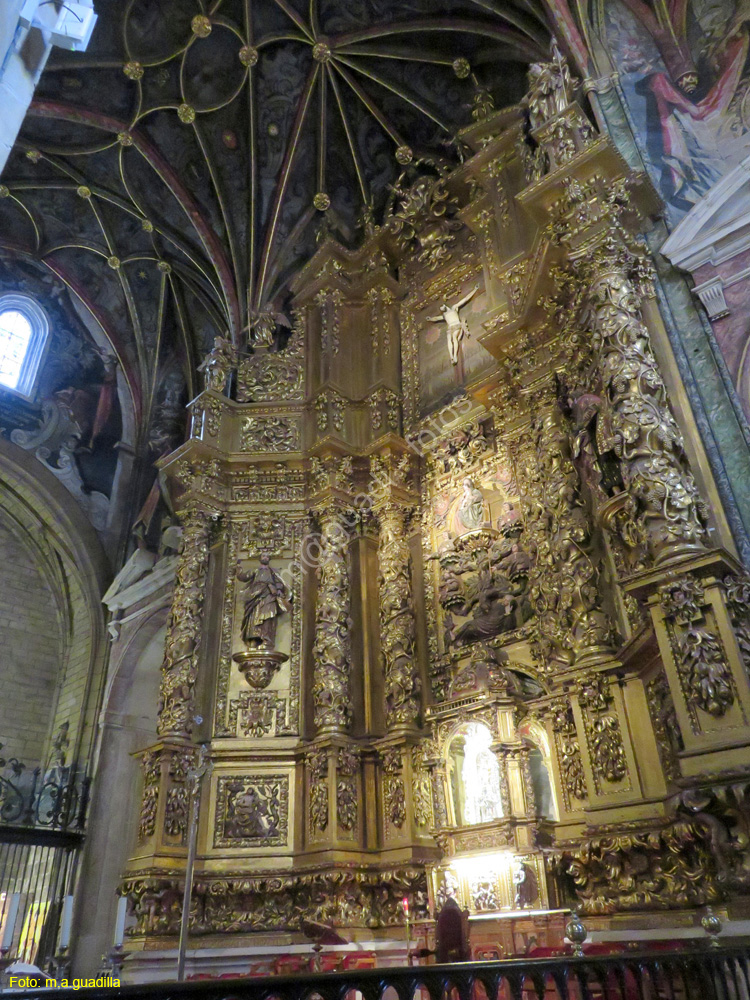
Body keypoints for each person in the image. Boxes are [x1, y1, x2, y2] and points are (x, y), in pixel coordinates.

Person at [237, 555, 291, 649]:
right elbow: (244, 577)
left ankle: (267, 640)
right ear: (259, 558)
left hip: (269, 596)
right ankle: (254, 639)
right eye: (263, 556)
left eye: (267, 556)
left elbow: (279, 582)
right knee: (254, 617)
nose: (265, 558)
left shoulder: (273, 572)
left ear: (269, 559)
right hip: (255, 595)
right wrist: (238, 570)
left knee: (267, 616)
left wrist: (278, 589)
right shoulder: (255, 571)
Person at [428, 286, 479, 365]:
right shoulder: (444, 315)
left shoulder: (454, 308)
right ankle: (451, 356)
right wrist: (430, 319)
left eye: (441, 307)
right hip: (450, 328)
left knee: (454, 338)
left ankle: (455, 355)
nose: (441, 309)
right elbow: (436, 318)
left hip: (456, 325)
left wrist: (474, 290)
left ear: (445, 305)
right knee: (449, 340)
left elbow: (465, 299)